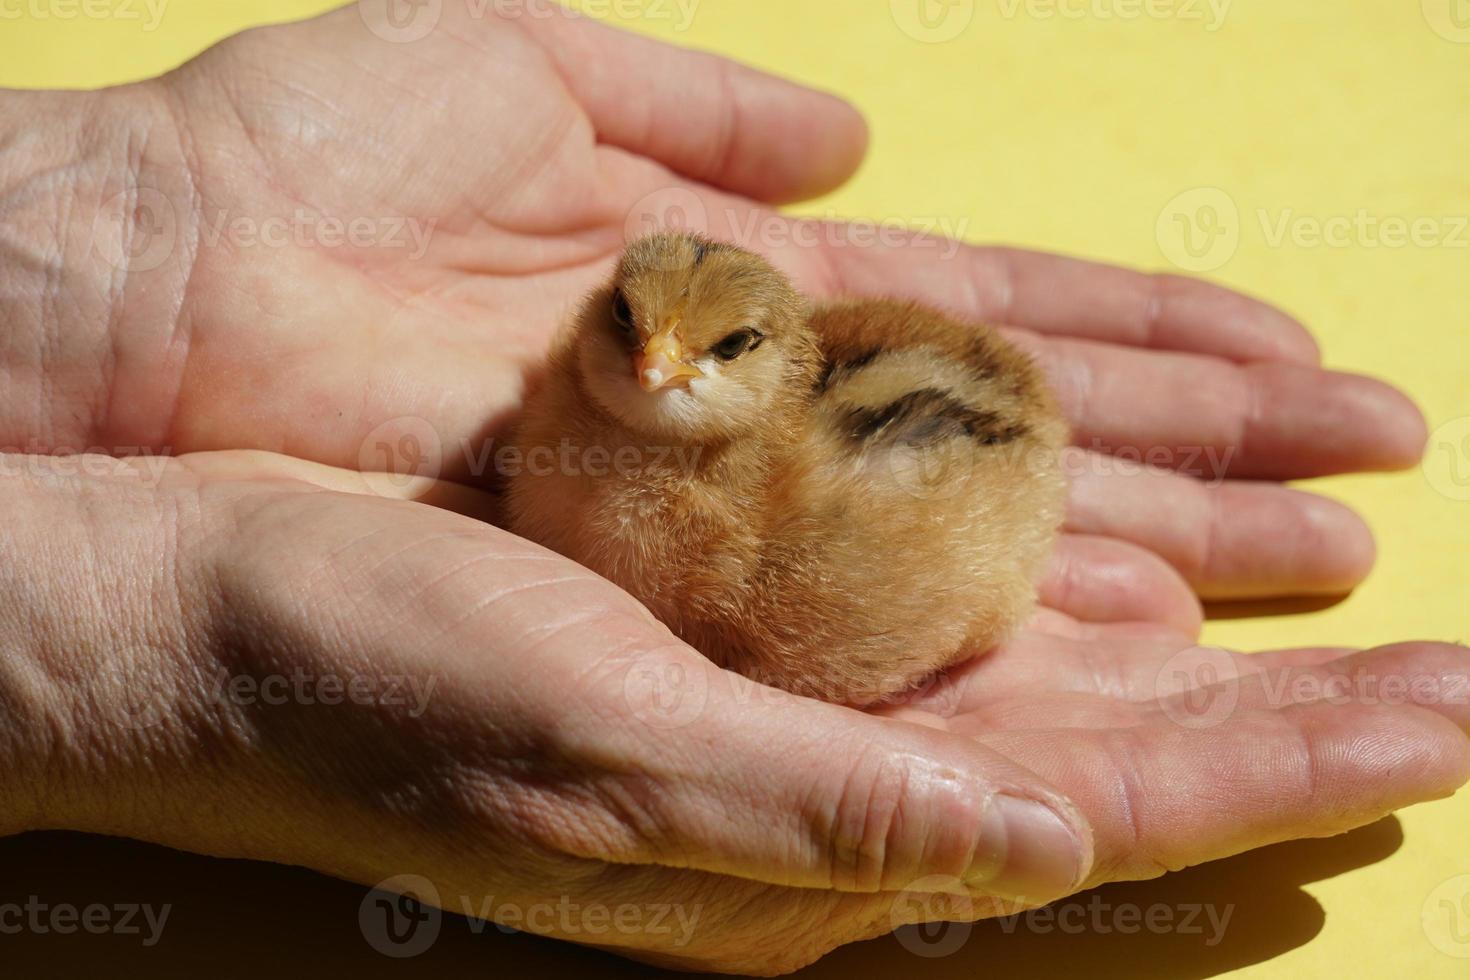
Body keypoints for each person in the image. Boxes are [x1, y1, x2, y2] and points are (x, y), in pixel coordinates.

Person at [0, 2, 1464, 973]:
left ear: (781, 359)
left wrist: (125, 208)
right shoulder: (571, 424)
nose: (653, 372)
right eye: (626, 333)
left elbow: (961, 454)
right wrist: (121, 638)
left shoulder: (800, 507)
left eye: (711, 353)